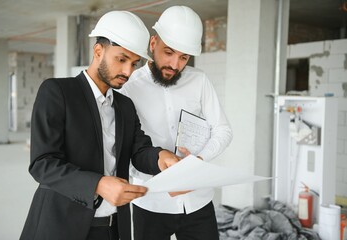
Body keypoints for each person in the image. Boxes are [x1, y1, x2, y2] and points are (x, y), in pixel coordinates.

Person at [20, 10, 180, 240]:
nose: (128, 72)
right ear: (98, 51)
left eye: (134, 63)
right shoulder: (58, 92)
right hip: (61, 225)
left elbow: (139, 150)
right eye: (121, 59)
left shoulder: (125, 105)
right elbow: (42, 163)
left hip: (112, 228)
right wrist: (98, 184)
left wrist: (161, 157)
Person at [120, 5, 233, 240]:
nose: (175, 64)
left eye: (184, 57)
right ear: (153, 44)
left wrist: (198, 161)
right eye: (168, 52)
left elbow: (223, 130)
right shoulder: (129, 88)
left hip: (198, 202)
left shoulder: (199, 81)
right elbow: (128, 146)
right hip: (150, 203)